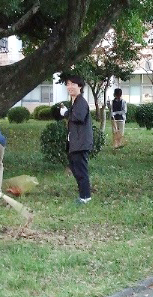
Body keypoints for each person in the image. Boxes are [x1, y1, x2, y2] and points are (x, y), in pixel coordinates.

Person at [60, 75, 93, 204]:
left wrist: (66, 113)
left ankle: (85, 197)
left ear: (80, 86)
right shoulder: (75, 102)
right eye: (68, 84)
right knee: (76, 169)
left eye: (73, 84)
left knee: (81, 170)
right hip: (76, 142)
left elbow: (78, 117)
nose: (70, 87)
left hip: (81, 143)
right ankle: (83, 195)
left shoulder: (81, 102)